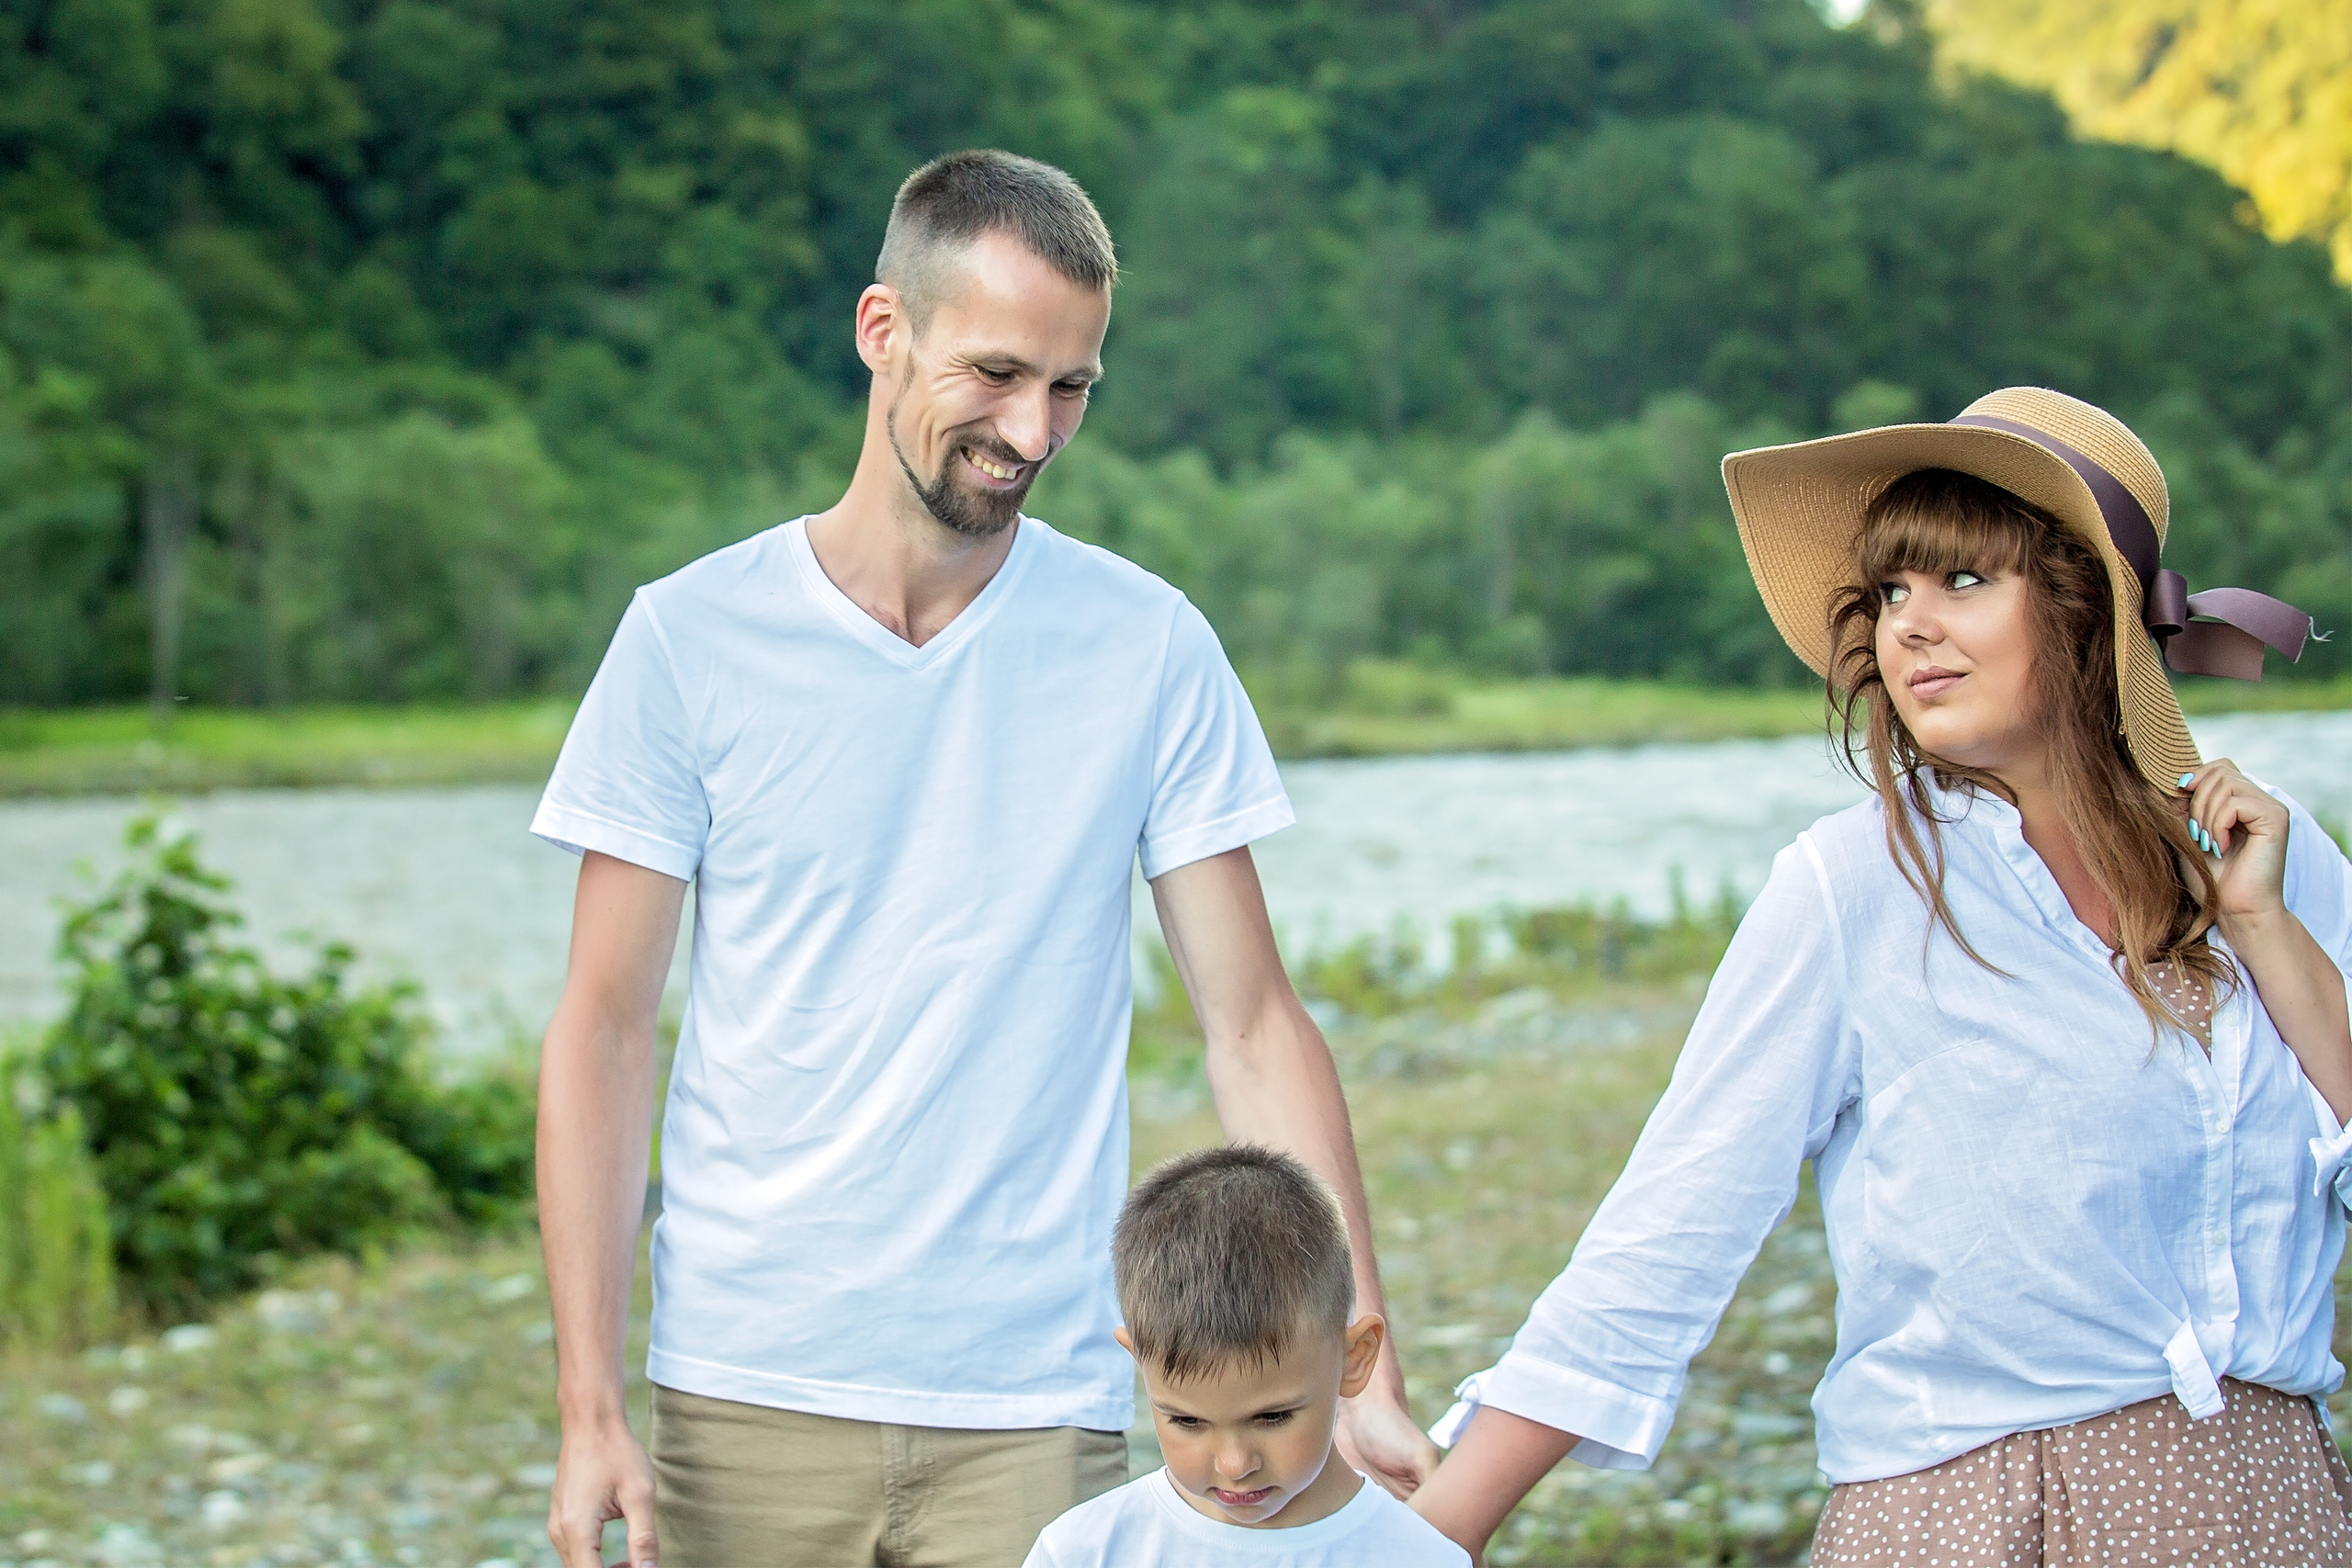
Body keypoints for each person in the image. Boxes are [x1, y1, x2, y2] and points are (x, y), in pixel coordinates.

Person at [530, 149, 1436, 1568]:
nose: (1033, 428)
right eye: (999, 373)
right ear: (882, 330)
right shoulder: (685, 641)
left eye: (1071, 387)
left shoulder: (1148, 646)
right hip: (748, 1385)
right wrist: (589, 1400)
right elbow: (600, 1028)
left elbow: (1253, 1022)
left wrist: (1360, 1373)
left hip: (1038, 1396)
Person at [1409, 387, 2349, 1566]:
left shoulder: (2270, 855)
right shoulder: (1848, 886)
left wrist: (2263, 931)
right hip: (1971, 1518)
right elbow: (1666, 1237)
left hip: (2277, 1508)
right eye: (1892, 591)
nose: (1908, 627)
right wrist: (1429, 1538)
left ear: (2085, 609)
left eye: (1964, 582)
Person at [1025, 1145, 1469, 1566]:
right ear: (1139, 1359)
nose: (1235, 1465)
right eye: (1187, 1421)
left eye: (1272, 1417)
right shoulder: (1085, 1551)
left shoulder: (1422, 1558)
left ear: (1355, 1357)